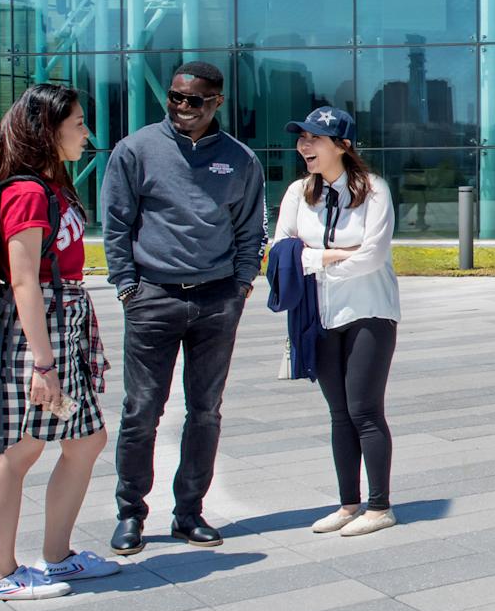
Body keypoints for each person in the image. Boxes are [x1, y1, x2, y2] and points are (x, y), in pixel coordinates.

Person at [102, 61, 268, 556]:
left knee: (205, 411)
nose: (181, 107)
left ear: (216, 102)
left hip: (217, 300)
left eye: (194, 100)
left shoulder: (240, 161)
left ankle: (189, 513)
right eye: (175, 97)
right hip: (153, 297)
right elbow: (116, 223)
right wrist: (128, 287)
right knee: (141, 411)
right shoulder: (136, 149)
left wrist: (240, 285)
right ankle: (131, 513)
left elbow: (249, 230)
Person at [0, 84, 120, 600]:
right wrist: (43, 364)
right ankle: (0, 573)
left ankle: (57, 558)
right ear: (47, 130)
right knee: (19, 450)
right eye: (79, 123)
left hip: (65, 323)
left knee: (85, 440)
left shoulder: (52, 186)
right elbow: (22, 282)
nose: (87, 133)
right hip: (39, 333)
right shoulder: (26, 192)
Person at [275, 107, 401, 537]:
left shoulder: (374, 191)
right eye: (302, 137)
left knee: (365, 410)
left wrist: (314, 263)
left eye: (314, 139)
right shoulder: (297, 193)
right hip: (319, 315)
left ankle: (380, 506)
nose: (304, 146)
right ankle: (349, 504)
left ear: (342, 146)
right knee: (339, 413)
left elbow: (374, 256)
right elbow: (280, 253)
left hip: (370, 313)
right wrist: (327, 257)